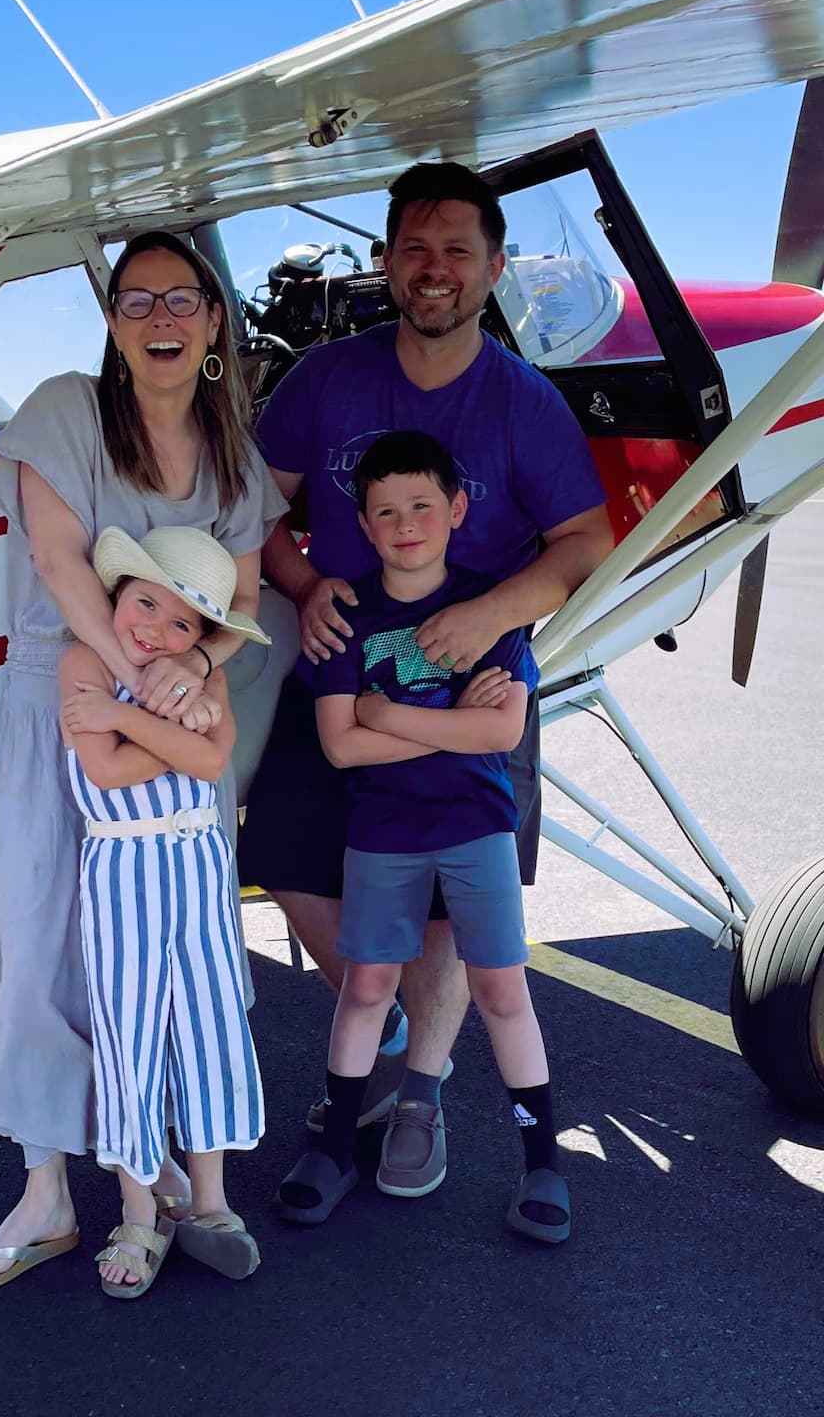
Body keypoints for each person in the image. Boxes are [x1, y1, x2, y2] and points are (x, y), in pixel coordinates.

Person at [239, 160, 611, 1200]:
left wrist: (491, 612)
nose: (433, 269)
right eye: (413, 247)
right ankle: (389, 1016)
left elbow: (585, 537)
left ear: (495, 267)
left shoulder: (523, 401)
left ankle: (420, 1091)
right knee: (281, 849)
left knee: (452, 904)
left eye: (457, 250)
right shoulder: (325, 378)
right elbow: (257, 510)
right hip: (345, 663)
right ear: (386, 260)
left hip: (476, 676)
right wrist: (306, 583)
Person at [0, 230, 285, 1293]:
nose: (161, 321)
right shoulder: (65, 411)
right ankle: (47, 1193)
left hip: (174, 705)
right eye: (137, 302)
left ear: (215, 321)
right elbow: (59, 563)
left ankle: (163, 1167)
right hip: (71, 697)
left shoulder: (229, 447)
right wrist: (147, 686)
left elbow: (240, 602)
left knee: (170, 953)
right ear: (112, 322)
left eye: (182, 301)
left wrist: (195, 676)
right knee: (36, 932)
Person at [276, 432, 569, 1241]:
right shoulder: (351, 618)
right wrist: (452, 720)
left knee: (503, 990)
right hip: (384, 833)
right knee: (367, 988)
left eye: (421, 507)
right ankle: (336, 1148)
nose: (405, 524)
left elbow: (501, 732)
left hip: (476, 829)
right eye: (385, 512)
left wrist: (392, 714)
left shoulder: (490, 609)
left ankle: (543, 1163)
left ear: (457, 510)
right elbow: (340, 744)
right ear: (364, 528)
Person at [60, 524, 267, 1297]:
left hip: (198, 864)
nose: (156, 628)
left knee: (210, 1024)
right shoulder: (85, 660)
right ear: (117, 595)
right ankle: (139, 1212)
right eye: (144, 602)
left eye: (182, 621)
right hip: (122, 867)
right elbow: (107, 773)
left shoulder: (196, 676)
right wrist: (164, 728)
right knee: (131, 1036)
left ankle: (209, 1204)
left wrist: (123, 718)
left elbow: (213, 761)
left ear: (200, 636)